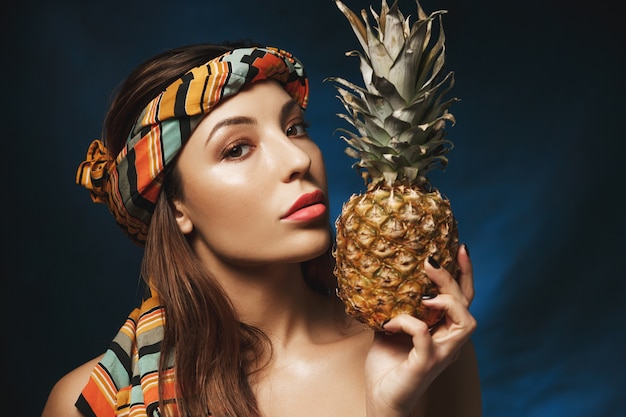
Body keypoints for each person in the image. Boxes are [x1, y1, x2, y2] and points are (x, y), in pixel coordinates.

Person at [41, 42, 480, 417]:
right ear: (176, 206)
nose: (297, 159)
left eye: (295, 128)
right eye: (236, 149)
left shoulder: (425, 351)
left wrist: (387, 410)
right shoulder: (91, 402)